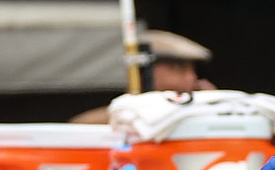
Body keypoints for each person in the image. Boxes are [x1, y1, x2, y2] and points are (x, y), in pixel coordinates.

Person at [71, 29, 216, 124]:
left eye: (193, 70)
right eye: (177, 69)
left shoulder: (204, 111)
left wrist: (213, 108)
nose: (191, 77)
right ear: (144, 70)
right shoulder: (101, 121)